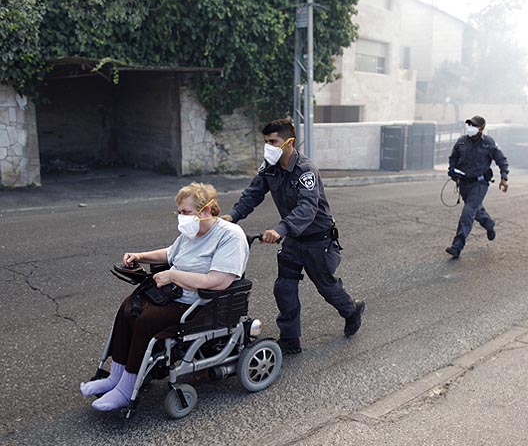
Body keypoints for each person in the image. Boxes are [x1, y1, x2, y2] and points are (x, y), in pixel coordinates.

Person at [80, 182, 249, 411]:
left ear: (206, 210)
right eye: (179, 212)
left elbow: (217, 281)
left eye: (186, 212)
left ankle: (127, 388)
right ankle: (115, 377)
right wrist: (140, 256)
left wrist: (172, 276)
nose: (182, 218)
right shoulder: (192, 232)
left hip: (200, 304)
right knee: (128, 308)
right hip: (174, 294)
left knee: (146, 321)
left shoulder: (230, 236)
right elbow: (170, 253)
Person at [220, 118, 364, 355]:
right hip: (294, 240)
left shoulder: (306, 171)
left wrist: (280, 229)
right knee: (284, 287)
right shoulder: (270, 167)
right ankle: (290, 338)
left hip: (318, 241)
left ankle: (351, 310)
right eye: (266, 142)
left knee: (327, 287)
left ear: (290, 143)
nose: (269, 146)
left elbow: (307, 208)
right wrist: (233, 216)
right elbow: (253, 193)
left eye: (273, 141)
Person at [446, 116, 509, 258]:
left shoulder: (488, 143)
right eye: (469, 125)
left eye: (474, 125)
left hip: (479, 183)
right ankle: (489, 224)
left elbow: (501, 160)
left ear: (481, 128)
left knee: (468, 212)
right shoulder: (462, 141)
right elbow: (453, 157)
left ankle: (457, 246)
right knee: (476, 211)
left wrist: (504, 178)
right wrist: (452, 171)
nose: (470, 127)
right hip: (464, 183)